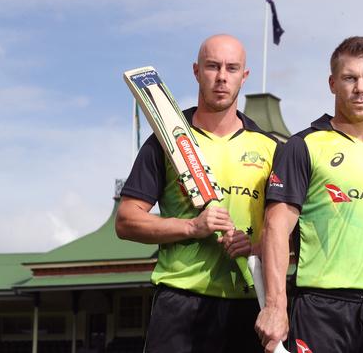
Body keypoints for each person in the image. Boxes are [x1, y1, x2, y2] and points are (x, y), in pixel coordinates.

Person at [255, 36, 363, 353]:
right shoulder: (303, 145)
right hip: (321, 308)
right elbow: (276, 227)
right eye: (350, 78)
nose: (360, 88)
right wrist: (275, 305)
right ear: (333, 83)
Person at [115, 34, 277, 353]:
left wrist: (256, 245)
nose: (221, 77)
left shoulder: (270, 148)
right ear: (196, 71)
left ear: (244, 76)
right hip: (180, 301)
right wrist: (192, 226)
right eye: (212, 66)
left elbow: (290, 233)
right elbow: (126, 221)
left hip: (246, 302)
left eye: (231, 69)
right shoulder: (167, 141)